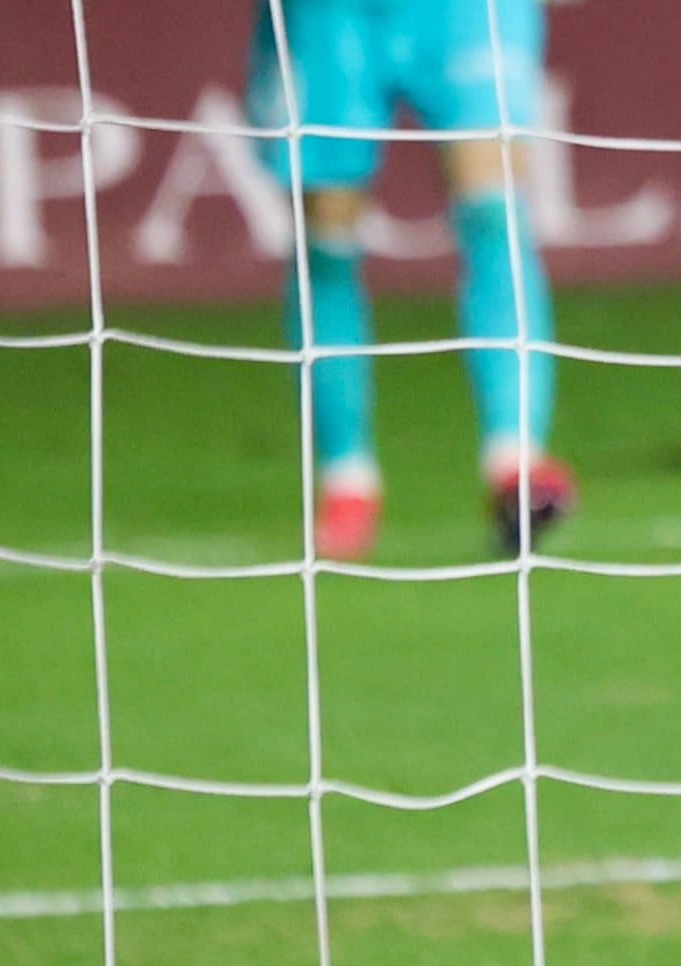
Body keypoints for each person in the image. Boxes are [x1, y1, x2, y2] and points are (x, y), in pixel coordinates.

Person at [248, 0, 576, 558]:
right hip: (332, 15)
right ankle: (346, 479)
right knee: (327, 232)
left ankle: (516, 460)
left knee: (493, 205)